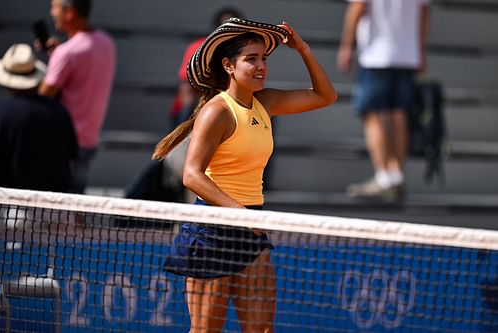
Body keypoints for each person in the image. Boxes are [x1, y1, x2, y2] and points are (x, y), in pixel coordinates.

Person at [153, 18, 336, 332]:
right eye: (251, 59)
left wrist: (302, 49)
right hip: (213, 231)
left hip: (250, 230)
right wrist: (240, 214)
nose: (261, 65)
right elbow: (192, 176)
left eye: (263, 58)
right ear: (228, 65)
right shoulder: (217, 111)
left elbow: (325, 96)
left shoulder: (264, 103)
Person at [337, 0, 430, 201]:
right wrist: (420, 51)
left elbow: (358, 6)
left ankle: (384, 177)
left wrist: (346, 46)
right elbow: (423, 12)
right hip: (406, 55)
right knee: (399, 113)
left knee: (371, 114)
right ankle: (396, 175)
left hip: (375, 55)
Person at [37, 0, 116, 194]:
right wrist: (59, 54)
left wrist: (57, 57)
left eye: (54, 7)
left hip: (63, 144)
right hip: (88, 141)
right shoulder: (106, 43)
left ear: (70, 13)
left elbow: (41, 97)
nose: (52, 12)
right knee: (74, 208)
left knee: (56, 213)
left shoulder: (66, 54)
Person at [0, 43, 78, 192]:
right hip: (57, 205)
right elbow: (71, 157)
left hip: (14, 204)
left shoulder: (2, 114)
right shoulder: (60, 112)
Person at [171, 7, 243, 128]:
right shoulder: (200, 47)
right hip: (199, 105)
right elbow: (186, 84)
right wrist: (186, 116)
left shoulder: (243, 50)